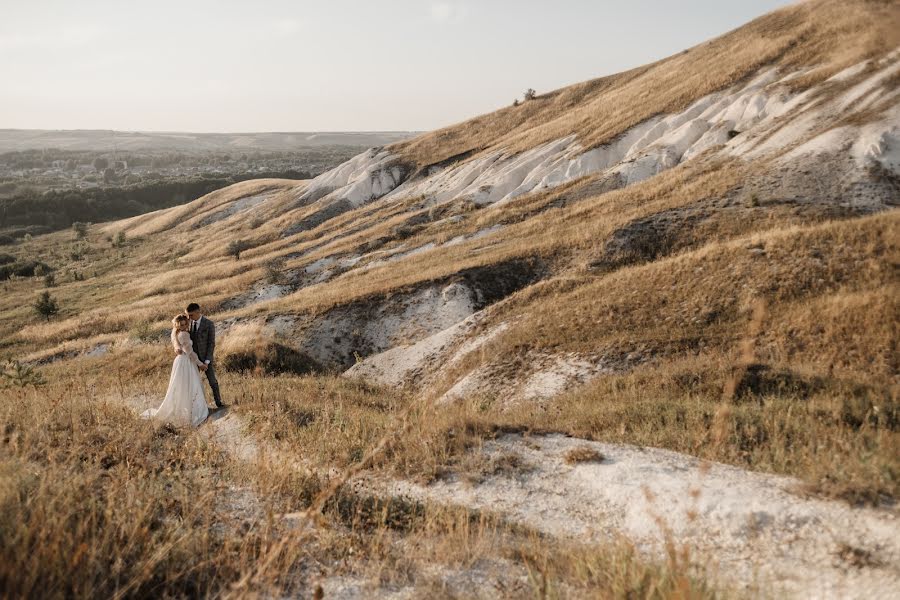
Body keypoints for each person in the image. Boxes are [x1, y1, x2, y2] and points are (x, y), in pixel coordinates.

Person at [142, 314, 209, 427]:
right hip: (185, 362)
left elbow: (177, 343)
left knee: (181, 385)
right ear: (177, 325)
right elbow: (190, 352)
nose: (183, 326)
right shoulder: (184, 334)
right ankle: (191, 410)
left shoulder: (175, 332)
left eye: (184, 324)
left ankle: (183, 407)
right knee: (189, 384)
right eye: (181, 325)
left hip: (179, 361)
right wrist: (200, 364)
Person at [183, 302, 225, 409]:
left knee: (213, 381)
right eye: (188, 315)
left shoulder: (209, 324)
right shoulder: (188, 324)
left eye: (191, 315)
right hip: (193, 359)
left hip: (206, 359)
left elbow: (211, 343)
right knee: (193, 383)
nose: (189, 317)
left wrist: (206, 361)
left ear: (198, 312)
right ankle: (196, 405)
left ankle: (218, 402)